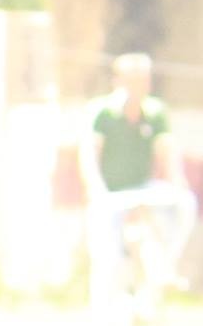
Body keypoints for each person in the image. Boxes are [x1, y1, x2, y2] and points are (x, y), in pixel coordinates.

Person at [79, 52, 196, 312]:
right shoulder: (102, 112)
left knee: (184, 203)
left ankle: (164, 268)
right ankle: (107, 307)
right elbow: (89, 154)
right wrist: (96, 189)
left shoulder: (154, 112)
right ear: (117, 81)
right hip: (110, 195)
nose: (137, 87)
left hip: (142, 191)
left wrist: (178, 181)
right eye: (131, 80)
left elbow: (167, 151)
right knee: (108, 255)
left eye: (142, 80)